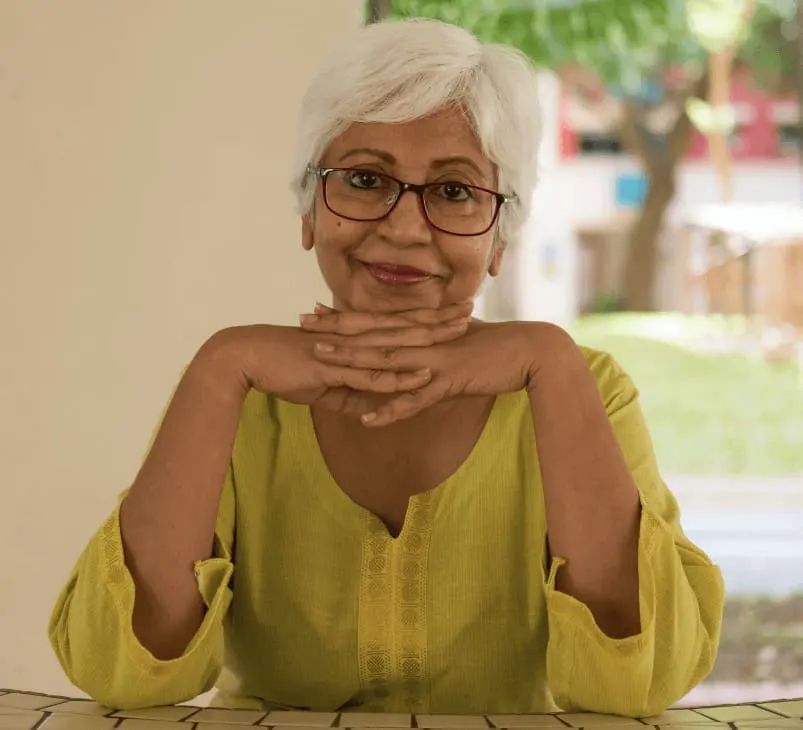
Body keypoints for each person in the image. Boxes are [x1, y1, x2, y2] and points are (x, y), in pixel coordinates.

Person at [49, 17, 724, 718]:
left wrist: (549, 362)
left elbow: (636, 687)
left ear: (500, 239)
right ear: (309, 209)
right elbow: (123, 679)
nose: (404, 228)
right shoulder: (243, 392)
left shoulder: (584, 386)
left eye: (455, 191)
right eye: (365, 179)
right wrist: (219, 365)